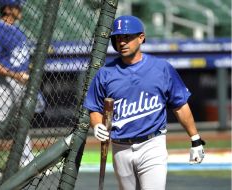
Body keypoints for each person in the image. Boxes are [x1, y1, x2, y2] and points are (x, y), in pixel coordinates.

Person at [83, 15, 205, 190]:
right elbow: (94, 108)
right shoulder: (105, 74)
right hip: (120, 147)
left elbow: (180, 105)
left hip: (152, 144)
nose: (122, 42)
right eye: (118, 38)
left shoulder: (161, 68)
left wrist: (195, 139)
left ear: (141, 38)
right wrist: (96, 125)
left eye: (127, 37)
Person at [0, 0, 35, 179]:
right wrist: (16, 75)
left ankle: (26, 160)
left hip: (20, 84)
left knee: (22, 120)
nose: (21, 9)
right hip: (3, 85)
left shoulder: (17, 31)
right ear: (8, 9)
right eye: (17, 6)